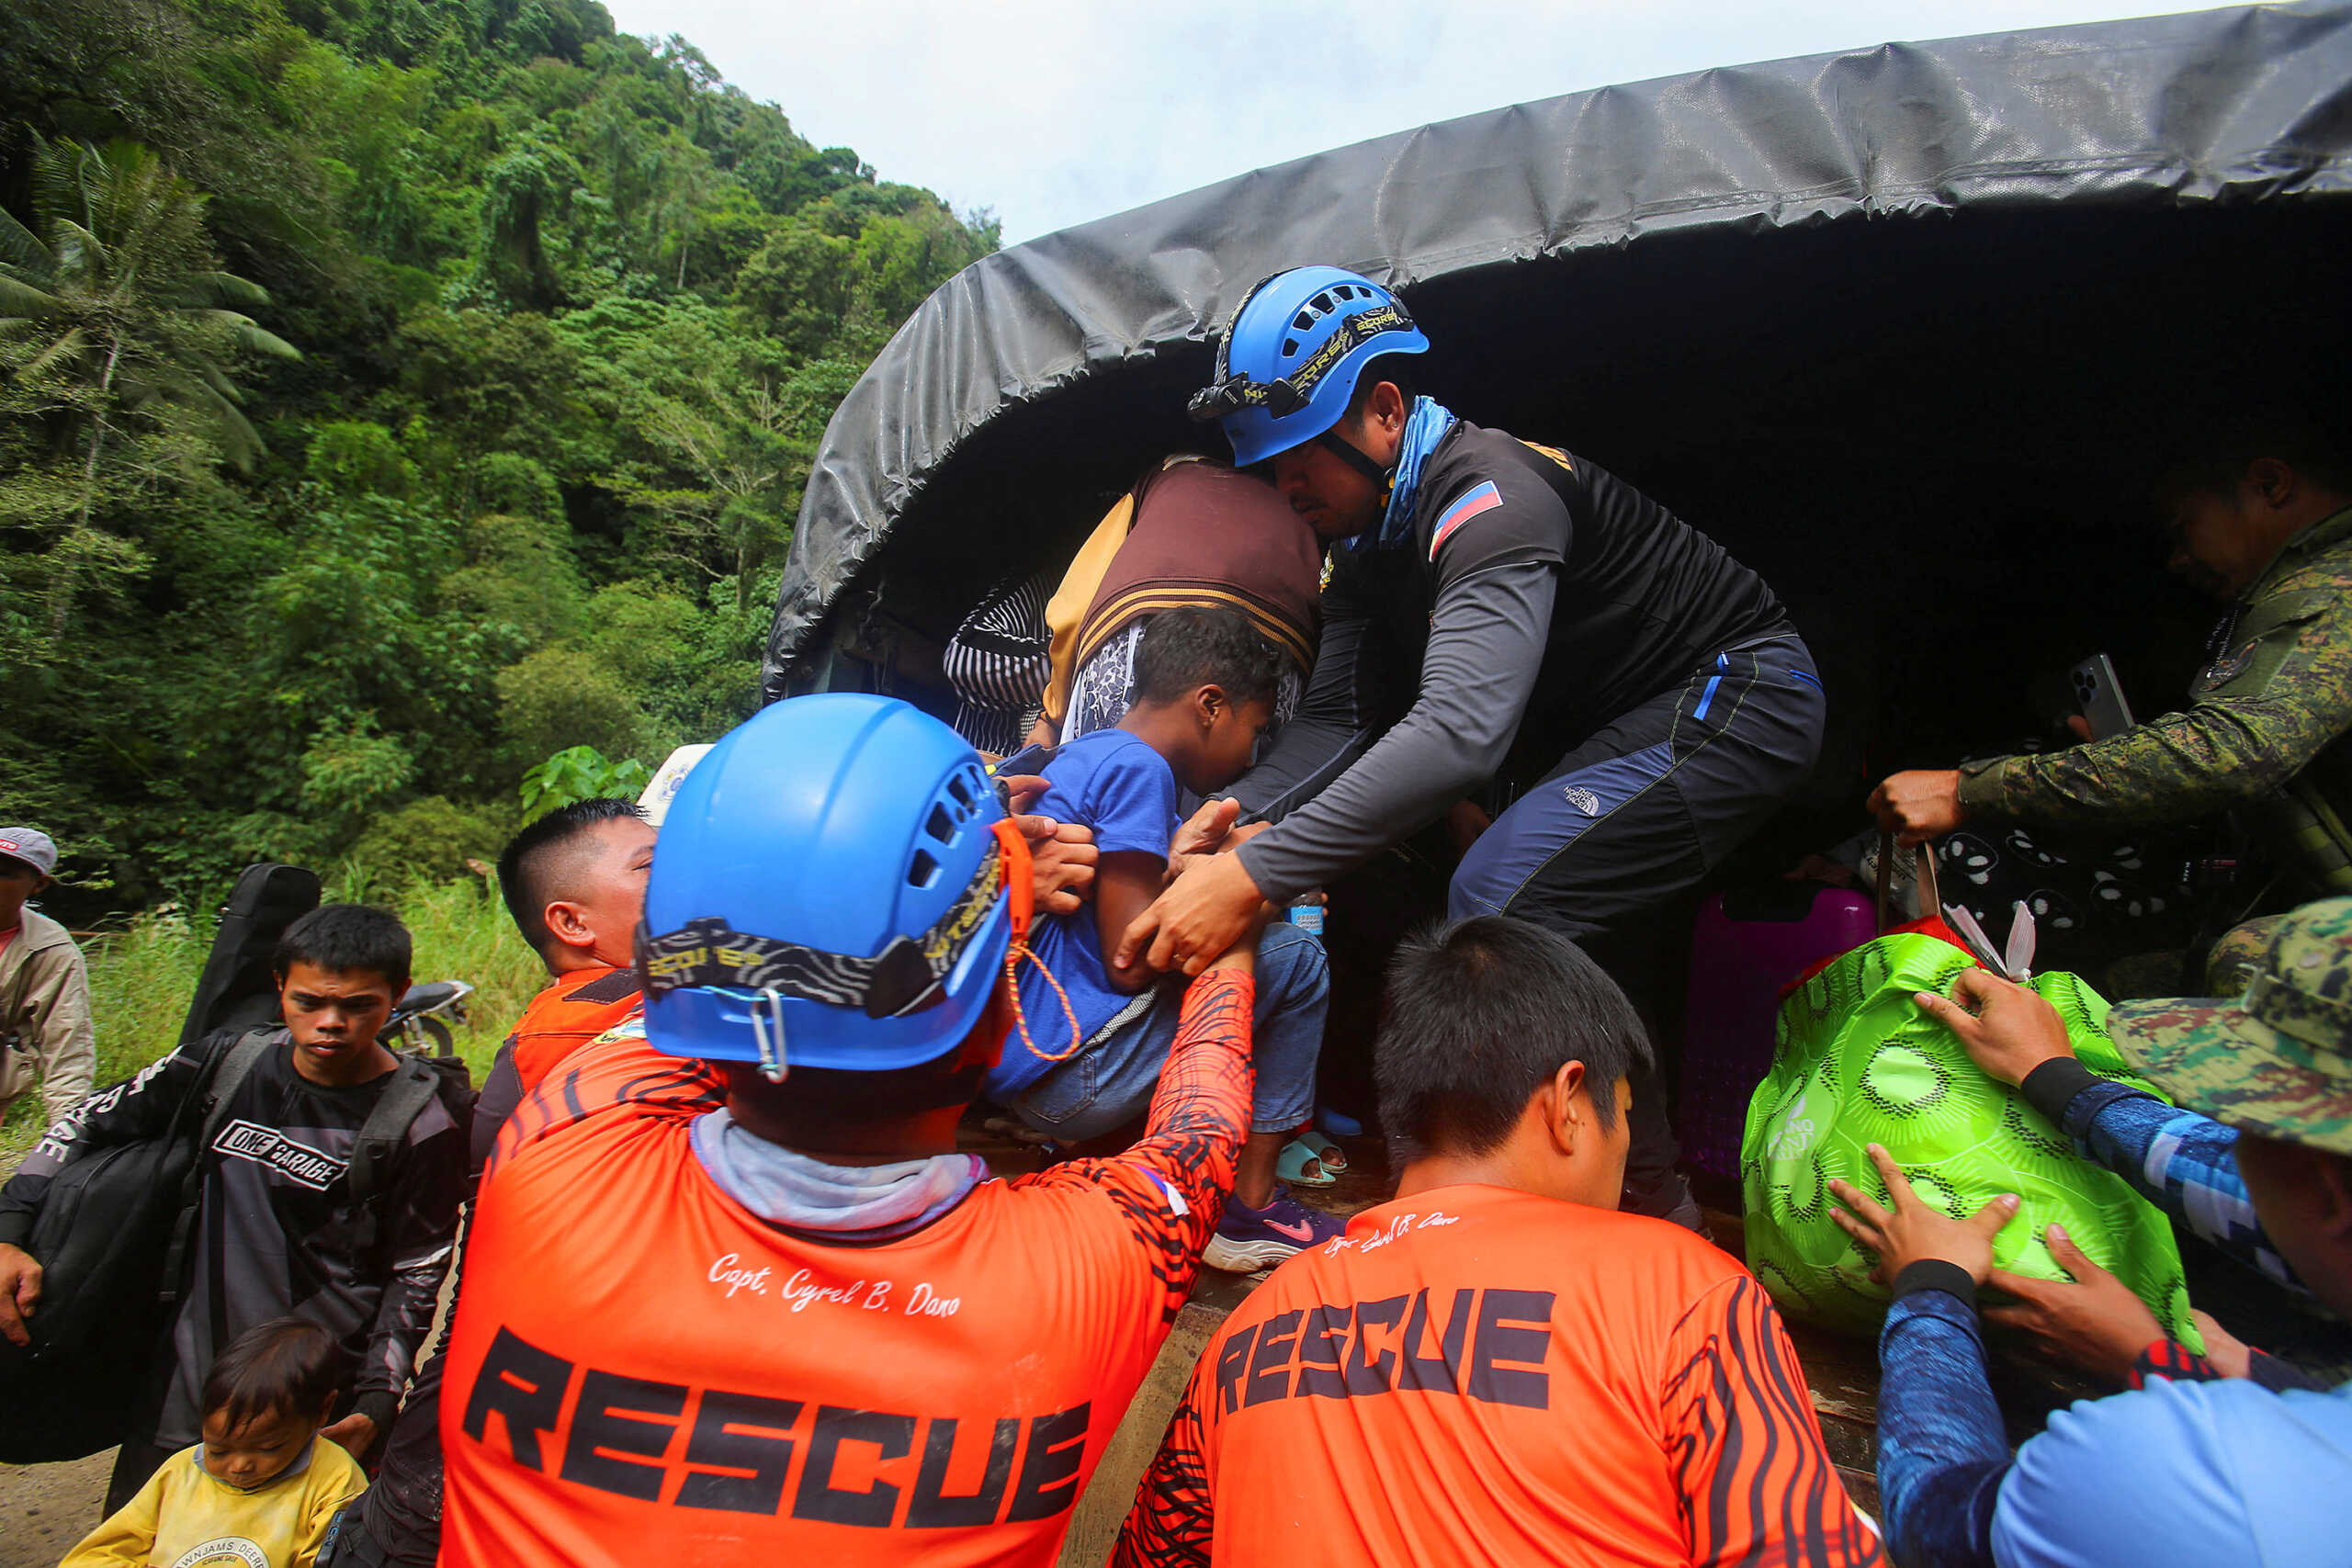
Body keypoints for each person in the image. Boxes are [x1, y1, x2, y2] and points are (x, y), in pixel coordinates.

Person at [436, 693, 1262, 1564]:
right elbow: (1201, 1122)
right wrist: (1232, 920)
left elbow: (693, 1002)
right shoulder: (1095, 1263)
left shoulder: (555, 1150)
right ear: (1000, 1009)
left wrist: (982, 891)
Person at [1125, 265, 1826, 1223]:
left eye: (1300, 459)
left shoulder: (1486, 492)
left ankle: (1529, 1200)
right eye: (1268, 467)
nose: (1285, 489)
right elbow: (1333, 728)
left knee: (1498, 892)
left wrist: (1255, 877)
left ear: (1382, 410)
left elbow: (1459, 732)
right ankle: (1655, 1214)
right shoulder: (1368, 543)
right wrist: (1233, 822)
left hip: (1740, 692)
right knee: (1525, 899)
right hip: (1620, 728)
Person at [1117, 915, 1881, 1566]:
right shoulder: (1686, 1295)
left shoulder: (1255, 1325)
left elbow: (1154, 1551)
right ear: (1569, 1102)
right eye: (1623, 1117)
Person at [1833, 895, 2352, 1568]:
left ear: (2330, 1190)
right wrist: (2053, 1077)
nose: (2225, 1141)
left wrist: (1932, 1287)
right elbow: (2218, 1177)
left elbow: (1937, 1523)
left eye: (2240, 1115)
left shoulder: (2187, 1472)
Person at [0, 905, 469, 1512]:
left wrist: (377, 1401)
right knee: (144, 1532)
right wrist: (12, 1227)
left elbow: (418, 1269)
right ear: (280, 986)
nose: (330, 1024)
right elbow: (82, 1122)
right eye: (308, 1002)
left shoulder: (422, 1121)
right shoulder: (227, 1062)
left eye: (357, 1005)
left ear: (398, 994)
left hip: (315, 1391)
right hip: (184, 1378)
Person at [1870, 415, 2352, 907]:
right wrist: (2125, 759)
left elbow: (2234, 753)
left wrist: (1970, 790)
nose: (2177, 560)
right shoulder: (2293, 593)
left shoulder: (2336, 585)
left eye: (2184, 529)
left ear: (2270, 485)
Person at [991, 606, 1339, 1270]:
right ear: (1212, 705)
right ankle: (1250, 1206)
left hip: (1022, 1065)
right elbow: (1130, 959)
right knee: (1296, 954)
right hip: (1072, 1079)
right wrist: (1250, 889)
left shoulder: (1085, 753)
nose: (1252, 752)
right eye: (1256, 730)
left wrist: (1182, 868)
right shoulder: (1141, 770)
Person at [1030, 455, 1323, 747]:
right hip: (1271, 657)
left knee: (1098, 782)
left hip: (1132, 635)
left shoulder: (1163, 478)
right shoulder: (1314, 503)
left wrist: (1052, 715)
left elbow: (1077, 605)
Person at [62, 1316, 368, 1568]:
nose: (240, 1465)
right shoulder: (180, 1472)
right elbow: (99, 1554)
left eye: (268, 1447)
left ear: (323, 1411)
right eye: (218, 1449)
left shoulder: (334, 1481)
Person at [0, 825, 96, 1129]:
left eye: (5, 874)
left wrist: (66, 1137)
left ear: (38, 885)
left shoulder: (51, 951)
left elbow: (68, 1050)